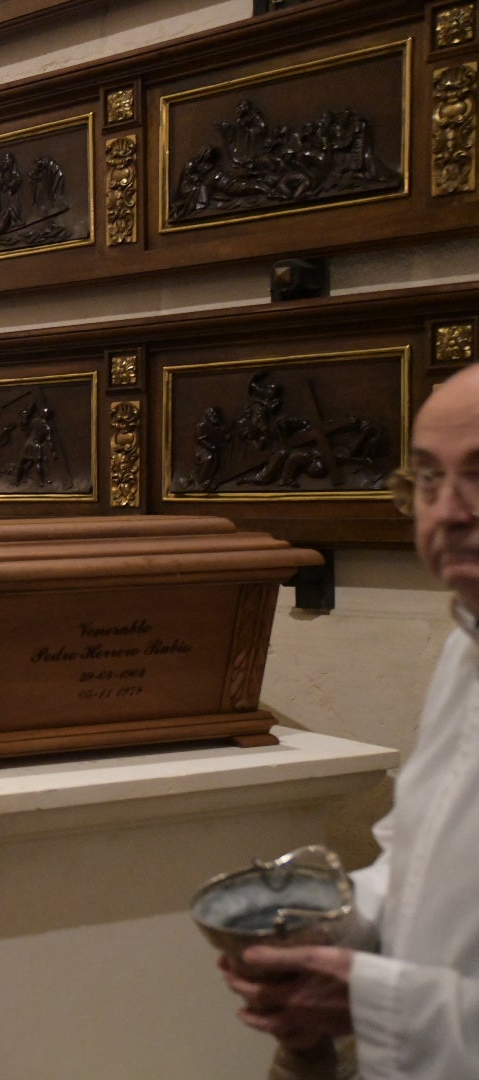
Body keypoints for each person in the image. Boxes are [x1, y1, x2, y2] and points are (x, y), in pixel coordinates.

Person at [219, 363, 479, 1078]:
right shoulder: (467, 644)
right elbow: (419, 857)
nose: (449, 511)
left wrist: (375, 1004)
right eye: (427, 479)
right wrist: (324, 932)